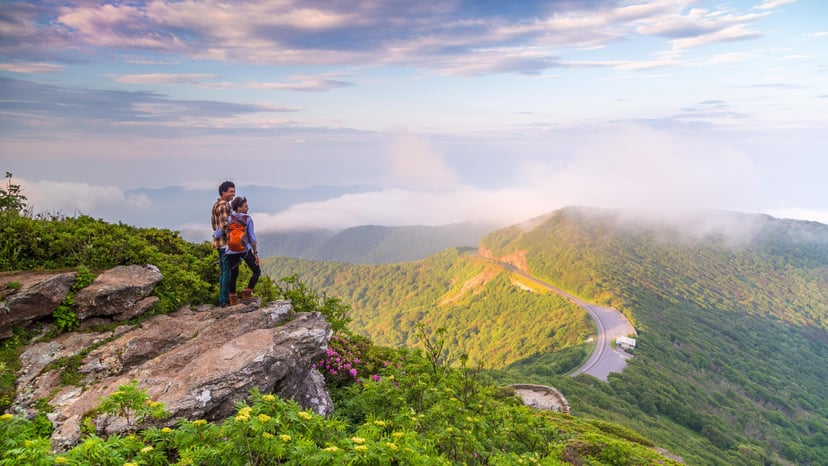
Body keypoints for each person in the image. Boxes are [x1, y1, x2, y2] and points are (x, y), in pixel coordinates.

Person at [226, 196, 261, 306]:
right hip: (245, 250)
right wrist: (255, 253)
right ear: (239, 207)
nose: (247, 208)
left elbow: (218, 233)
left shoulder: (228, 218)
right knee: (256, 271)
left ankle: (232, 298)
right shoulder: (247, 219)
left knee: (233, 274)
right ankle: (247, 292)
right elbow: (252, 237)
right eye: (245, 207)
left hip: (231, 251)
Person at [211, 181, 235, 307]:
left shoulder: (216, 204)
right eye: (231, 191)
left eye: (234, 191)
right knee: (227, 272)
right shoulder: (224, 205)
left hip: (219, 243)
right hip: (225, 243)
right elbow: (225, 225)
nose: (233, 194)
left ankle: (222, 299)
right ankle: (225, 300)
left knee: (223, 272)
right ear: (223, 192)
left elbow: (215, 225)